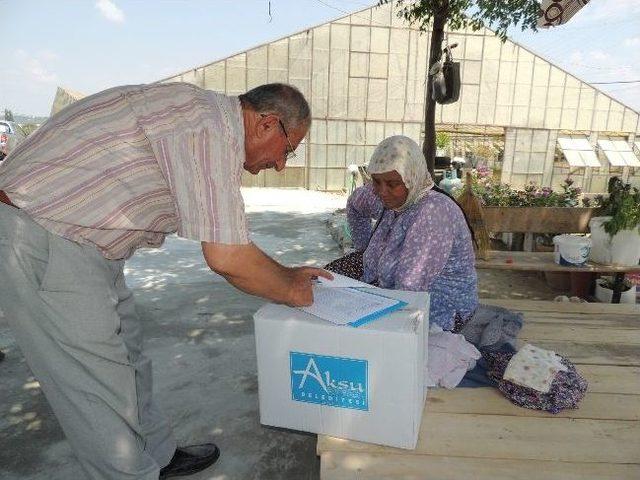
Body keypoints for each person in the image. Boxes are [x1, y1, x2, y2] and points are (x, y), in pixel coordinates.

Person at [0, 82, 330, 479]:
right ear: (266, 124)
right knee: (95, 386)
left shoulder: (210, 121)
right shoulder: (208, 130)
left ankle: (158, 455)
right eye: (288, 148)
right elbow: (228, 257)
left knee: (128, 356)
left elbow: (230, 239)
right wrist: (294, 290)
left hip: (86, 240)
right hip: (42, 235)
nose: (281, 164)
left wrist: (288, 275)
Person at [328, 135, 478, 331]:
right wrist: (365, 249)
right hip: (388, 282)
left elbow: (408, 289)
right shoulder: (383, 197)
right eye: (376, 181)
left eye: (392, 184)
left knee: (349, 324)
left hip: (440, 304)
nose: (382, 191)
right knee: (326, 279)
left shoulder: (433, 213)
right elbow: (355, 204)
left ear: (411, 178)